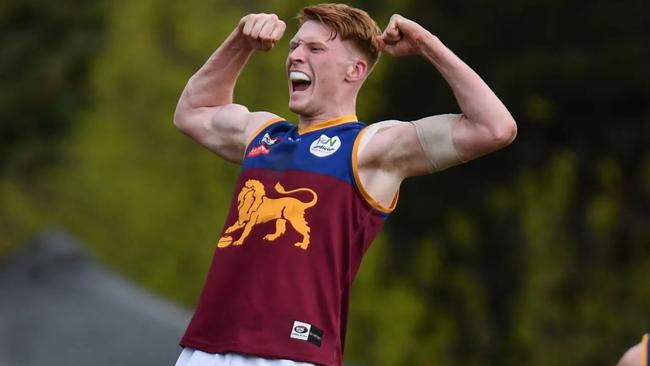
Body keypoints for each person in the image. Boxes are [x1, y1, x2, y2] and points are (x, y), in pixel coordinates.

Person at [172, 4, 517, 366]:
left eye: (315, 49)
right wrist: (239, 41)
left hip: (289, 354)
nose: (295, 56)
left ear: (355, 70)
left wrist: (428, 44)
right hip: (206, 347)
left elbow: (494, 128)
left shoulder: (370, 148)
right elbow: (192, 112)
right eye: (294, 46)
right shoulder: (264, 135)